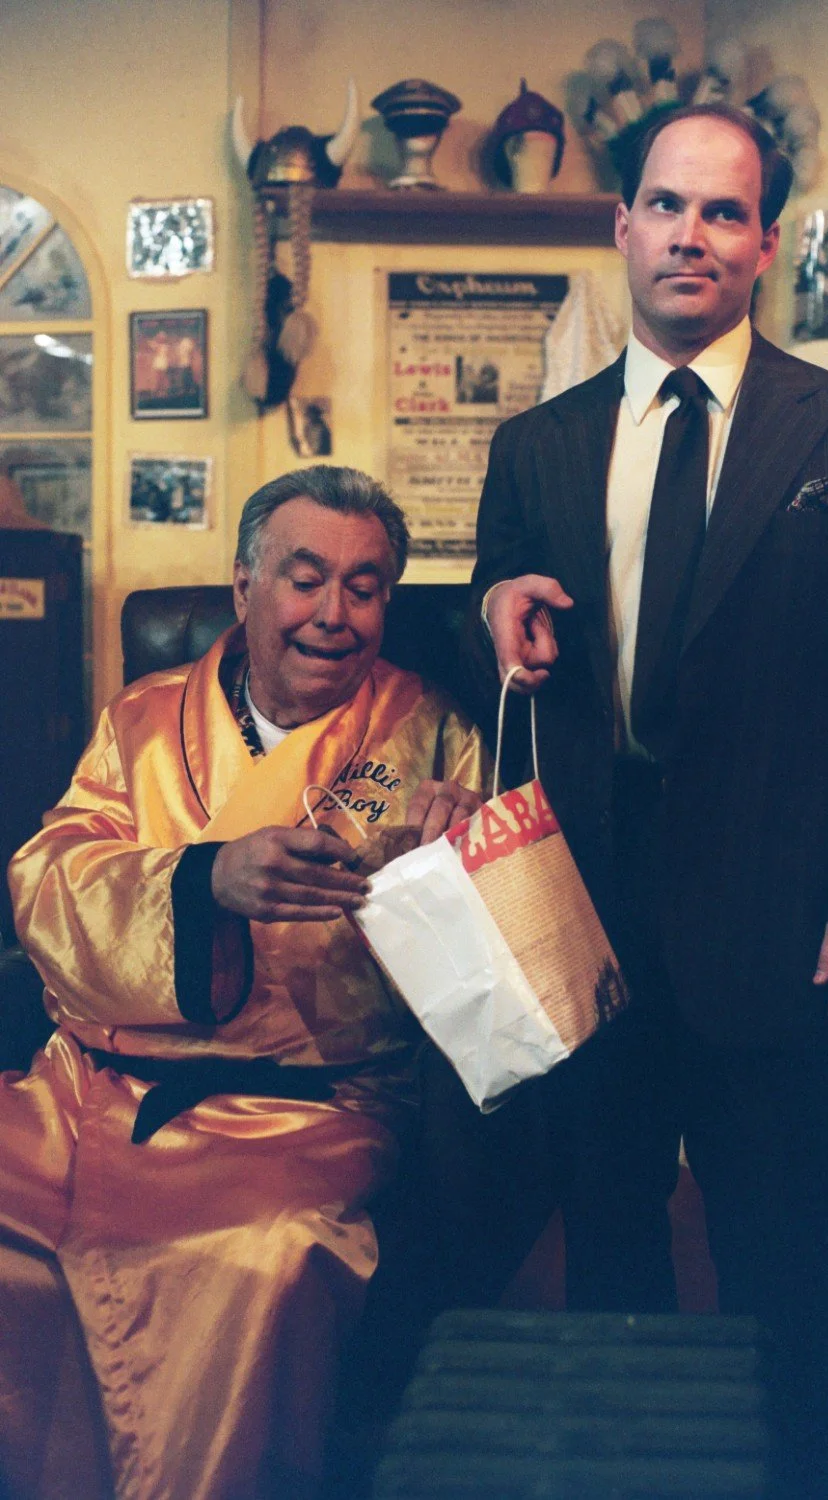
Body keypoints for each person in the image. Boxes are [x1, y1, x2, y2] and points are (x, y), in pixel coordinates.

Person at [467, 104, 828, 1496]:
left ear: (766, 244)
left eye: (723, 213)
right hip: (586, 932)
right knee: (608, 1249)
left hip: (781, 927)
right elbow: (488, 635)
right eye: (666, 205)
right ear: (622, 225)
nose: (690, 234)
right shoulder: (534, 447)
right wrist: (492, 605)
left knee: (778, 1262)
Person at [1, 465, 487, 1499]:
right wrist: (201, 878)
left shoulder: (431, 734)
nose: (333, 615)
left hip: (302, 1109)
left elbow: (493, 970)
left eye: (365, 587)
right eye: (304, 579)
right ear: (243, 587)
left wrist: (461, 861)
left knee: (262, 1259)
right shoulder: (140, 719)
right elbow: (46, 876)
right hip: (89, 1093)